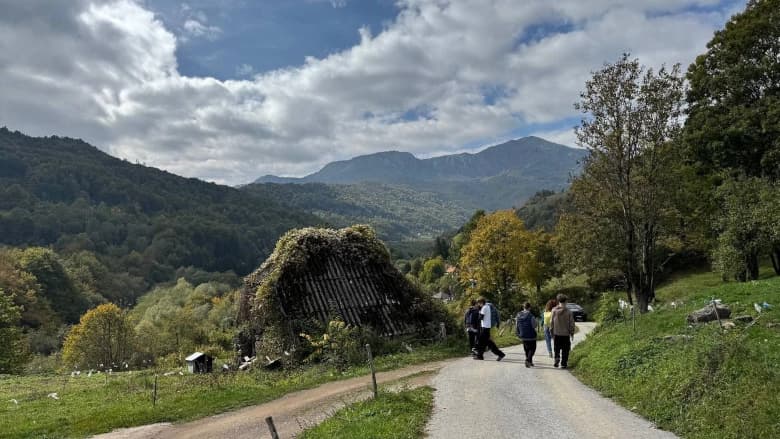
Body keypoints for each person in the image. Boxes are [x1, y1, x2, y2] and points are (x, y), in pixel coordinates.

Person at [550, 294, 575, 369]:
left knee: (556, 348)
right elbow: (572, 323)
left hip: (556, 333)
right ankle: (563, 363)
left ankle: (557, 358)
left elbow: (551, 322)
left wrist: (551, 331)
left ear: (558, 301)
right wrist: (572, 333)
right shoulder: (569, 312)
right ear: (566, 301)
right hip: (565, 334)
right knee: (565, 349)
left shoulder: (554, 310)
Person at [515, 302, 537, 367]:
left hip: (522, 334)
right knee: (533, 348)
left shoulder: (518, 315)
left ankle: (530, 361)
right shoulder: (531, 315)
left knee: (526, 349)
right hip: (531, 335)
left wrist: (518, 332)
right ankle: (528, 360)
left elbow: (516, 325)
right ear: (529, 308)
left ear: (523, 307)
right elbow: (534, 326)